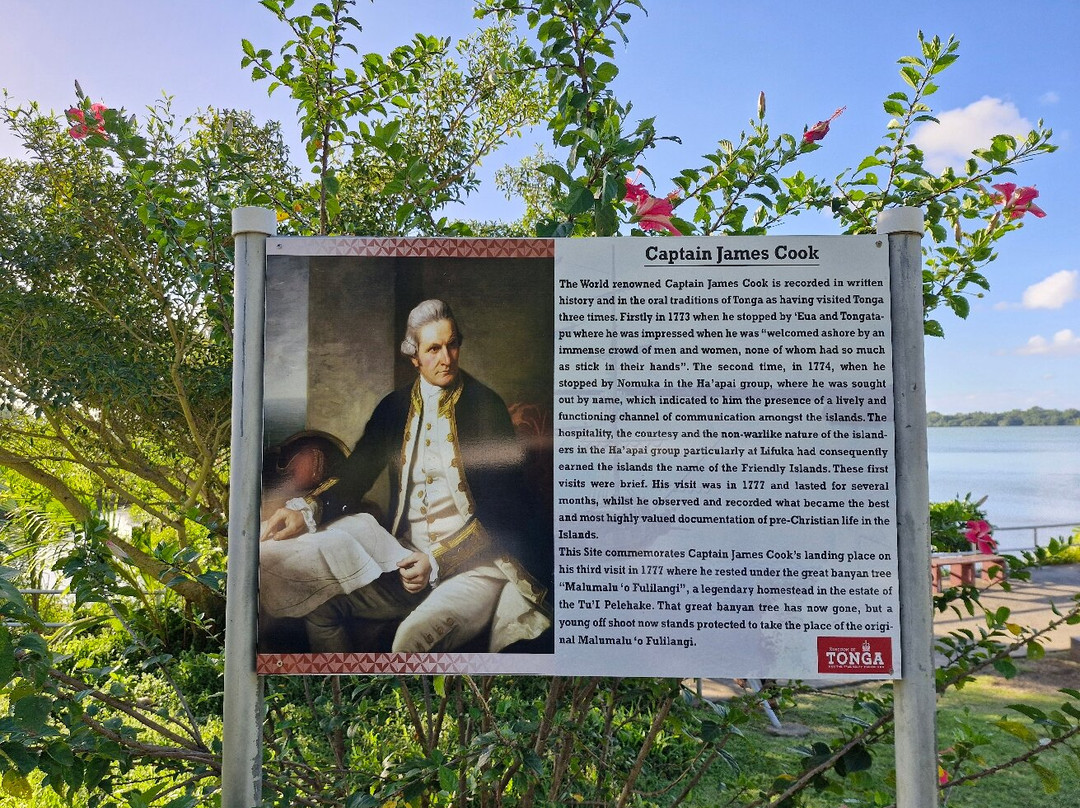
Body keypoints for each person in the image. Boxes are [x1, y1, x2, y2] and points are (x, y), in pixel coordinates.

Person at [260, 299, 551, 653]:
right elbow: (357, 473)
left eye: (452, 345)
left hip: (476, 566)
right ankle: (344, 688)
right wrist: (308, 509)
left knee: (408, 642)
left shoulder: (485, 407)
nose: (447, 358)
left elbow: (504, 512)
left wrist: (438, 559)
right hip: (408, 559)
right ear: (414, 357)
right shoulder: (394, 408)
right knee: (320, 608)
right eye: (434, 349)